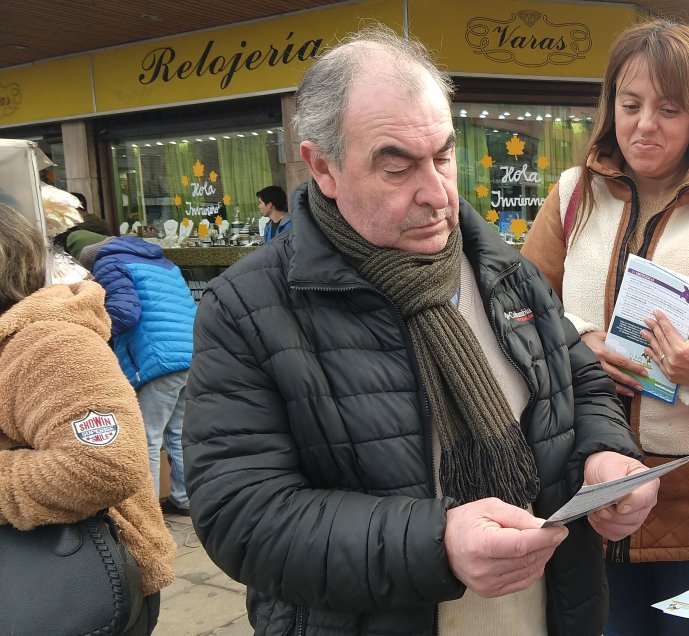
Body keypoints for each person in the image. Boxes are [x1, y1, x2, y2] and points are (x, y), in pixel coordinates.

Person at [182, 24, 658, 636]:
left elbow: (581, 382)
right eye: (396, 166)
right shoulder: (245, 308)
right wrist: (437, 544)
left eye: (442, 155)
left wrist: (608, 457)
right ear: (321, 166)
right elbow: (242, 516)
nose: (436, 194)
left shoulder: (503, 269)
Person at [522, 20, 689, 636]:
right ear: (610, 105)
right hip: (586, 476)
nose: (645, 124)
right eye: (631, 104)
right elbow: (522, 308)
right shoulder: (573, 195)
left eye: (668, 108)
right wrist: (577, 344)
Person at [0, 203, 176, 634]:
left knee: (153, 441)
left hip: (73, 586)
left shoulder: (49, 342)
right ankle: (183, 496)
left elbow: (106, 464)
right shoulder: (150, 258)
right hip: (175, 356)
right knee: (166, 438)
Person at [66, 229, 197, 518]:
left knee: (148, 437)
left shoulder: (107, 264)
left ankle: (147, 513)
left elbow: (125, 313)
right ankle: (185, 498)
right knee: (179, 433)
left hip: (158, 358)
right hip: (192, 353)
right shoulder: (163, 262)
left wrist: (88, 328)